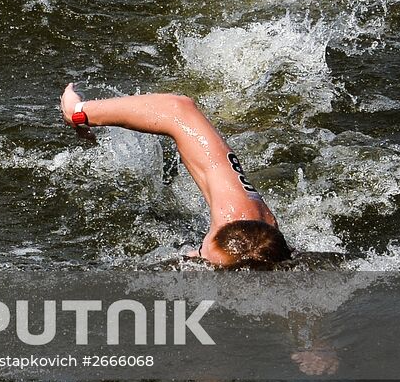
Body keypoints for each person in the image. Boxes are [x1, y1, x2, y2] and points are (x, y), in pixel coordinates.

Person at [59, 83, 292, 269]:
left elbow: (179, 107)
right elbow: (178, 110)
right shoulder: (240, 212)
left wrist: (77, 113)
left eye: (201, 254)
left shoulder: (234, 219)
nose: (195, 253)